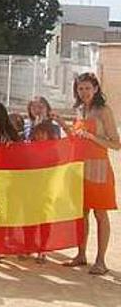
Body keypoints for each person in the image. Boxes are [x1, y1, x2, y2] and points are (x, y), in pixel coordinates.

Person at [61, 72, 120, 275]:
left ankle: (101, 261)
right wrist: (62, 123)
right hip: (81, 168)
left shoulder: (104, 111)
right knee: (82, 213)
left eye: (87, 88)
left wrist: (92, 137)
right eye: (80, 88)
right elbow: (77, 138)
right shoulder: (80, 110)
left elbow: (116, 143)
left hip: (99, 169)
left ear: (95, 89)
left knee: (100, 213)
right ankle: (81, 254)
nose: (84, 92)